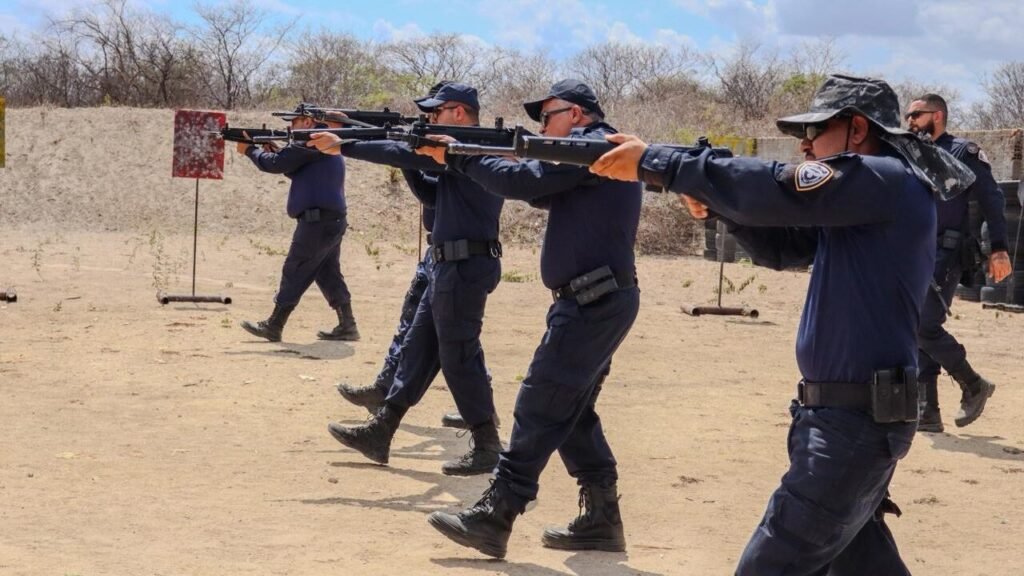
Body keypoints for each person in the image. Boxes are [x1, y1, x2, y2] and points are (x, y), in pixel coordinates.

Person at [591, 75, 973, 575]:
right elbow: (783, 247)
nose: (805, 144)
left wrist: (660, 163)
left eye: (815, 130)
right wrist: (719, 210)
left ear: (858, 129)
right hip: (843, 419)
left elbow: (773, 186)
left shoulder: (884, 180)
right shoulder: (867, 199)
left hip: (854, 426)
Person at [419, 79, 642, 559]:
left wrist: (460, 155)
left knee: (540, 403)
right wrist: (486, 157)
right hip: (596, 299)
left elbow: (523, 184)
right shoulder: (589, 154)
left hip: (593, 301)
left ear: (576, 114)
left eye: (547, 117)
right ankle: (602, 519)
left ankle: (496, 514)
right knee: (572, 411)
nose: (541, 127)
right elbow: (534, 188)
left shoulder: (592, 146)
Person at [307, 83, 505, 476]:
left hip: (465, 265)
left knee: (458, 356)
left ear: (459, 113)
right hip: (448, 264)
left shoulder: (472, 146)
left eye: (437, 112)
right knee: (417, 349)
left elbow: (404, 153)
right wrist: (402, 156)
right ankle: (381, 430)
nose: (430, 119)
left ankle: (487, 444)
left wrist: (345, 143)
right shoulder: (455, 151)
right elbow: (432, 195)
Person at [905, 94, 1008, 432]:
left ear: (937, 115)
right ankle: (927, 411)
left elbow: (992, 199)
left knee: (923, 325)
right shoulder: (912, 153)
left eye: (916, 115)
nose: (910, 121)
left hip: (947, 252)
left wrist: (998, 248)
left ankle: (974, 384)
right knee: (917, 325)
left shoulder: (963, 152)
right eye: (907, 116)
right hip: (914, 252)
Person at [237, 103, 358, 343]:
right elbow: (294, 169)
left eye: (294, 122)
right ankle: (348, 324)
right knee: (327, 272)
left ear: (308, 122)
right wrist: (273, 151)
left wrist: (250, 151)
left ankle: (274, 325)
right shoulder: (321, 143)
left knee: (295, 268)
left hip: (318, 221)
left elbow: (276, 164)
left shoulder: (313, 140)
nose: (291, 127)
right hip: (328, 220)